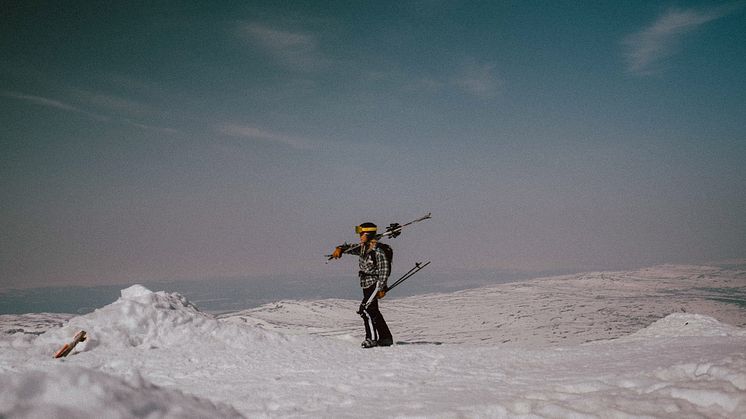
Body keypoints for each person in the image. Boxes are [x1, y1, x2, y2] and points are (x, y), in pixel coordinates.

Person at [331, 222, 393, 348]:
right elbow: (352, 248)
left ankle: (371, 339)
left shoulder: (377, 251)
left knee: (365, 309)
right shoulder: (364, 247)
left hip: (375, 283)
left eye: (362, 233)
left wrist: (381, 288)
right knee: (373, 310)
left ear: (368, 234)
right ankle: (386, 338)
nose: (360, 236)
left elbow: (384, 269)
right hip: (366, 284)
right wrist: (341, 249)